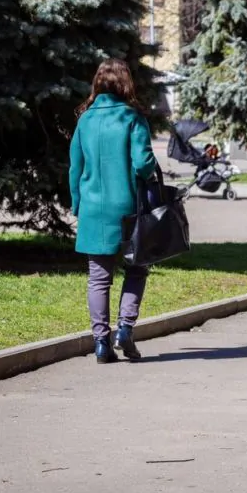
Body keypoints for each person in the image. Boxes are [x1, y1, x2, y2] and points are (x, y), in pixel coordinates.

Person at [69, 58, 158, 363]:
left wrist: (77, 203)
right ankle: (125, 329)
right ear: (125, 83)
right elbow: (144, 163)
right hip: (129, 207)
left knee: (98, 278)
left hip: (93, 209)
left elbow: (75, 168)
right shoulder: (132, 118)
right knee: (136, 268)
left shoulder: (85, 120)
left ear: (97, 84)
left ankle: (100, 343)